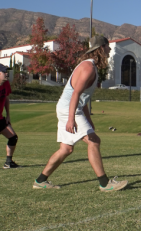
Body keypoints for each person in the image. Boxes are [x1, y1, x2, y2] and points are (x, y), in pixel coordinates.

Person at [33, 36, 127, 191]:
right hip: (69, 110)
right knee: (94, 141)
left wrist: (88, 120)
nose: (109, 49)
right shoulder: (88, 68)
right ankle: (104, 184)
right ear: (100, 48)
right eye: (107, 46)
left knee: (66, 149)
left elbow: (83, 99)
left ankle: (40, 181)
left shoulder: (90, 67)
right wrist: (71, 119)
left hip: (69, 109)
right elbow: (76, 94)